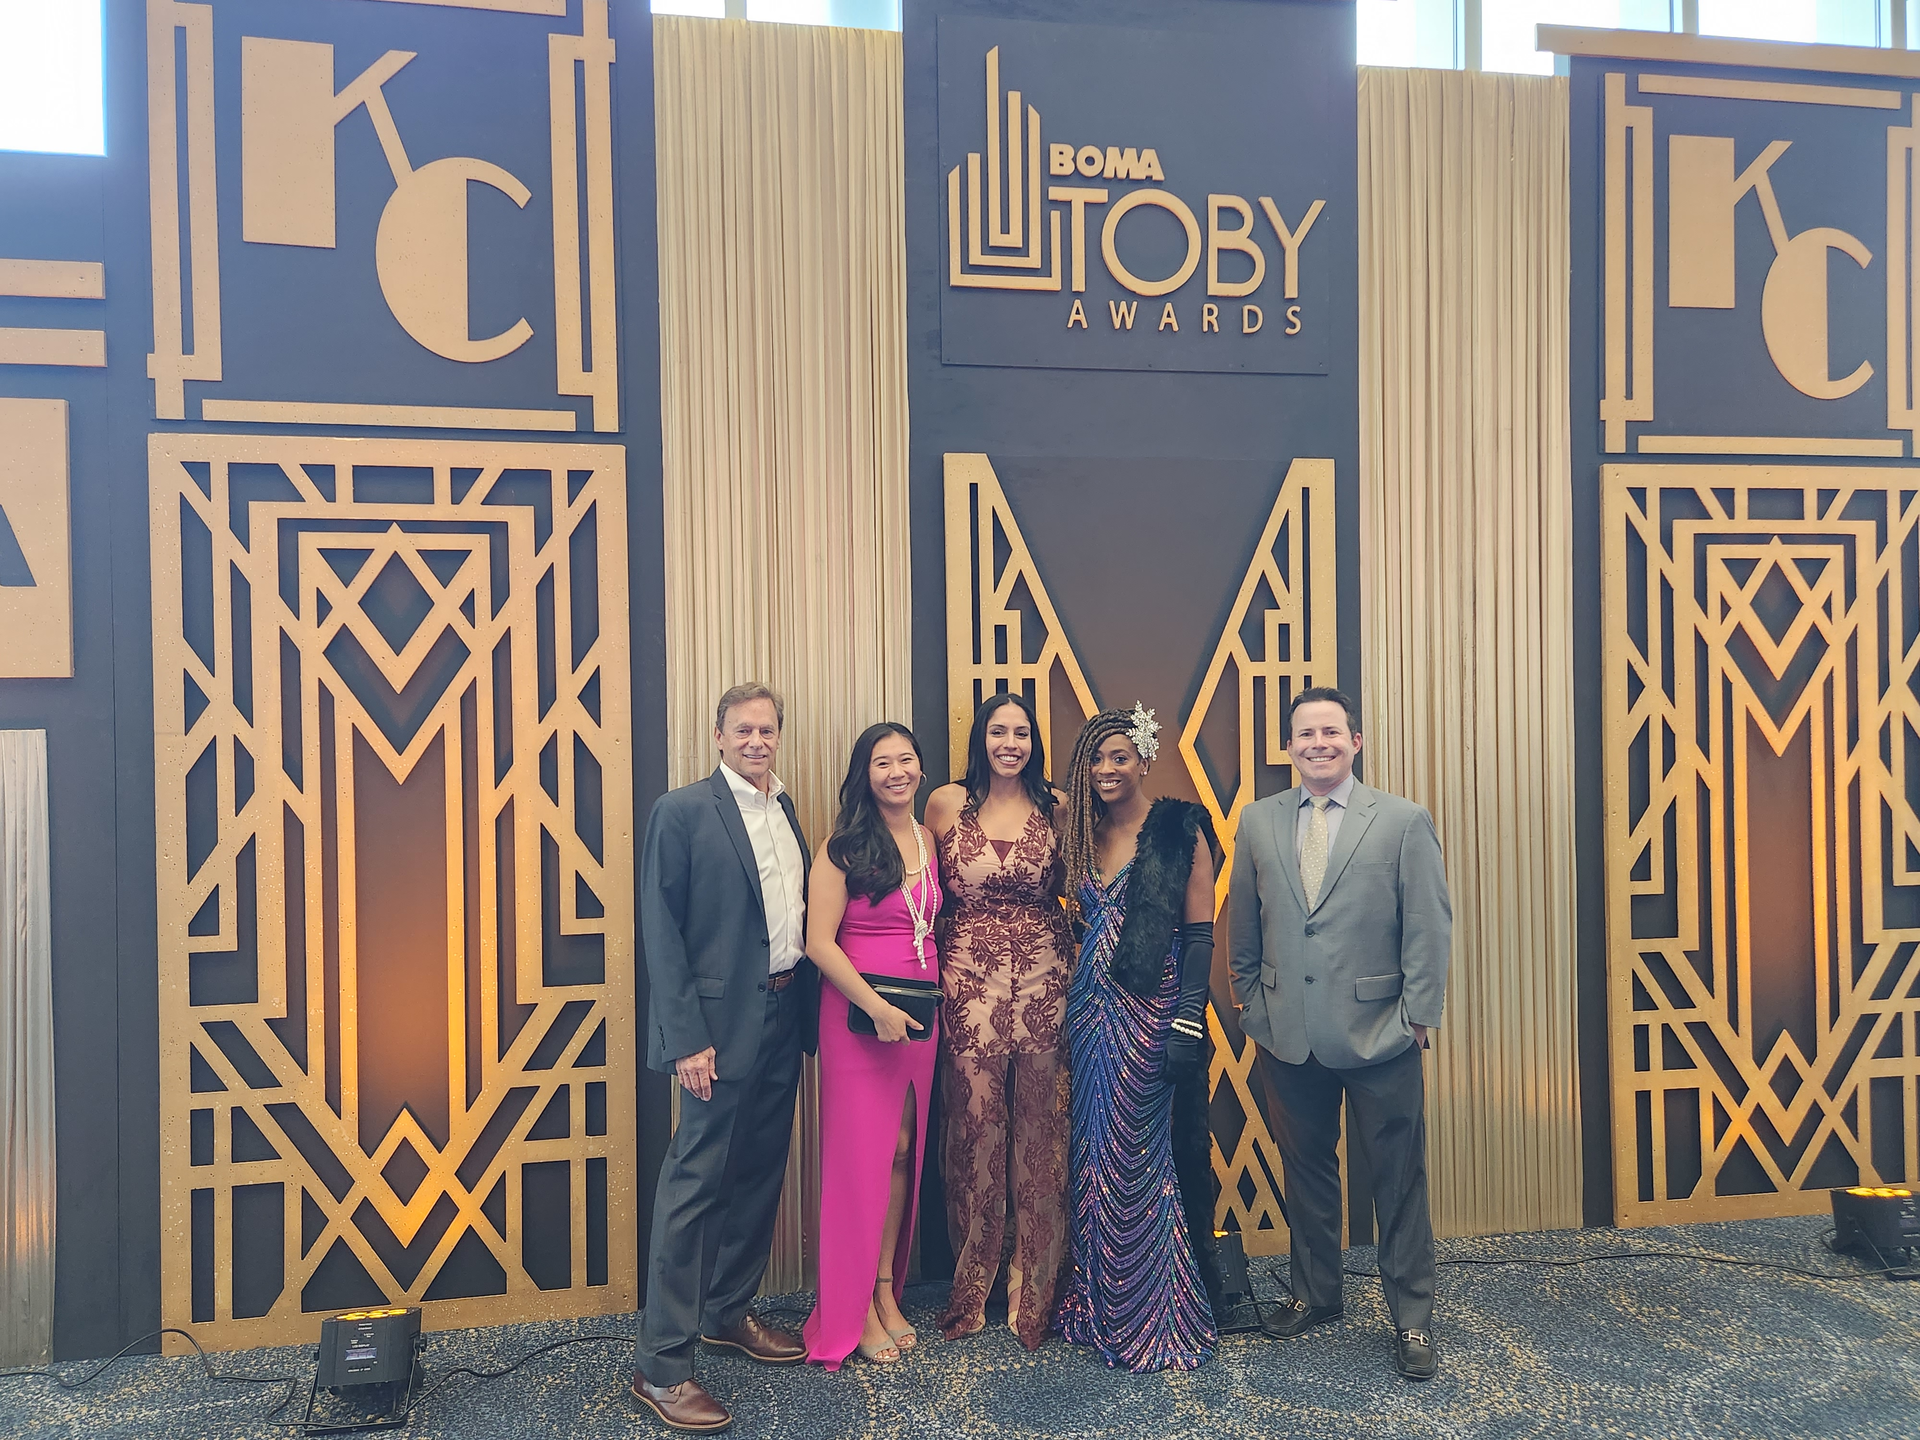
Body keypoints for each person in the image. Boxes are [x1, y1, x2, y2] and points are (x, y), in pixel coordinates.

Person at [1227, 686, 1451, 1381]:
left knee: (1398, 1181)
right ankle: (1316, 1294)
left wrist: (1419, 1016)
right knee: (1307, 1172)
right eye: (1304, 734)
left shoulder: (1403, 821)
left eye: (1331, 732)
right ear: (1289, 747)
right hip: (1287, 1032)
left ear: (1356, 741)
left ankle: (1411, 1319)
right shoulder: (1259, 822)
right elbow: (1244, 926)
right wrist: (1249, 1005)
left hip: (1382, 1031)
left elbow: (1428, 925)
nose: (1317, 743)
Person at [630, 684, 816, 1433]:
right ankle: (661, 1367)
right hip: (713, 1031)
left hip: (781, 1012)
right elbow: (661, 934)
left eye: (767, 729)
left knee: (759, 1172)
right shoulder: (681, 812)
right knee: (693, 1188)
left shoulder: (785, 809)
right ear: (717, 735)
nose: (756, 740)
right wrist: (685, 1041)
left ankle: (725, 1313)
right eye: (742, 729)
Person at [1052, 704, 1222, 1372]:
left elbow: (1200, 933)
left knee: (1137, 1157)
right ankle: (1100, 1305)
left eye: (1119, 756)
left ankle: (1157, 1312)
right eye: (1095, 758)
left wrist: (1186, 1020)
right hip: (1090, 1012)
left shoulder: (1179, 830)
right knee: (1093, 1153)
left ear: (1146, 759)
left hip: (1151, 1015)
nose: (1105, 769)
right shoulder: (1081, 833)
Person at [923, 692, 1073, 1347]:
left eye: (1020, 732)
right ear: (980, 738)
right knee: (975, 1128)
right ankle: (972, 1282)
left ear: (1034, 740)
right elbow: (920, 887)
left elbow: (1080, 883)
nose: (1009, 742)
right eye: (997, 731)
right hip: (967, 983)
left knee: (1043, 1130)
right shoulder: (944, 804)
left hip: (1047, 978)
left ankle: (1035, 1289)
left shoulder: (1058, 806)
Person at [802, 722, 942, 1369]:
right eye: (882, 762)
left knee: (904, 1153)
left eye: (906, 760)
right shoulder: (841, 847)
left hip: (920, 1018)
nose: (896, 772)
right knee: (862, 1158)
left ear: (919, 768)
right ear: (865, 774)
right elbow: (818, 943)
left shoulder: (928, 839)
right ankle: (850, 1311)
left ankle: (884, 1290)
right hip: (862, 1019)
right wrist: (878, 1008)